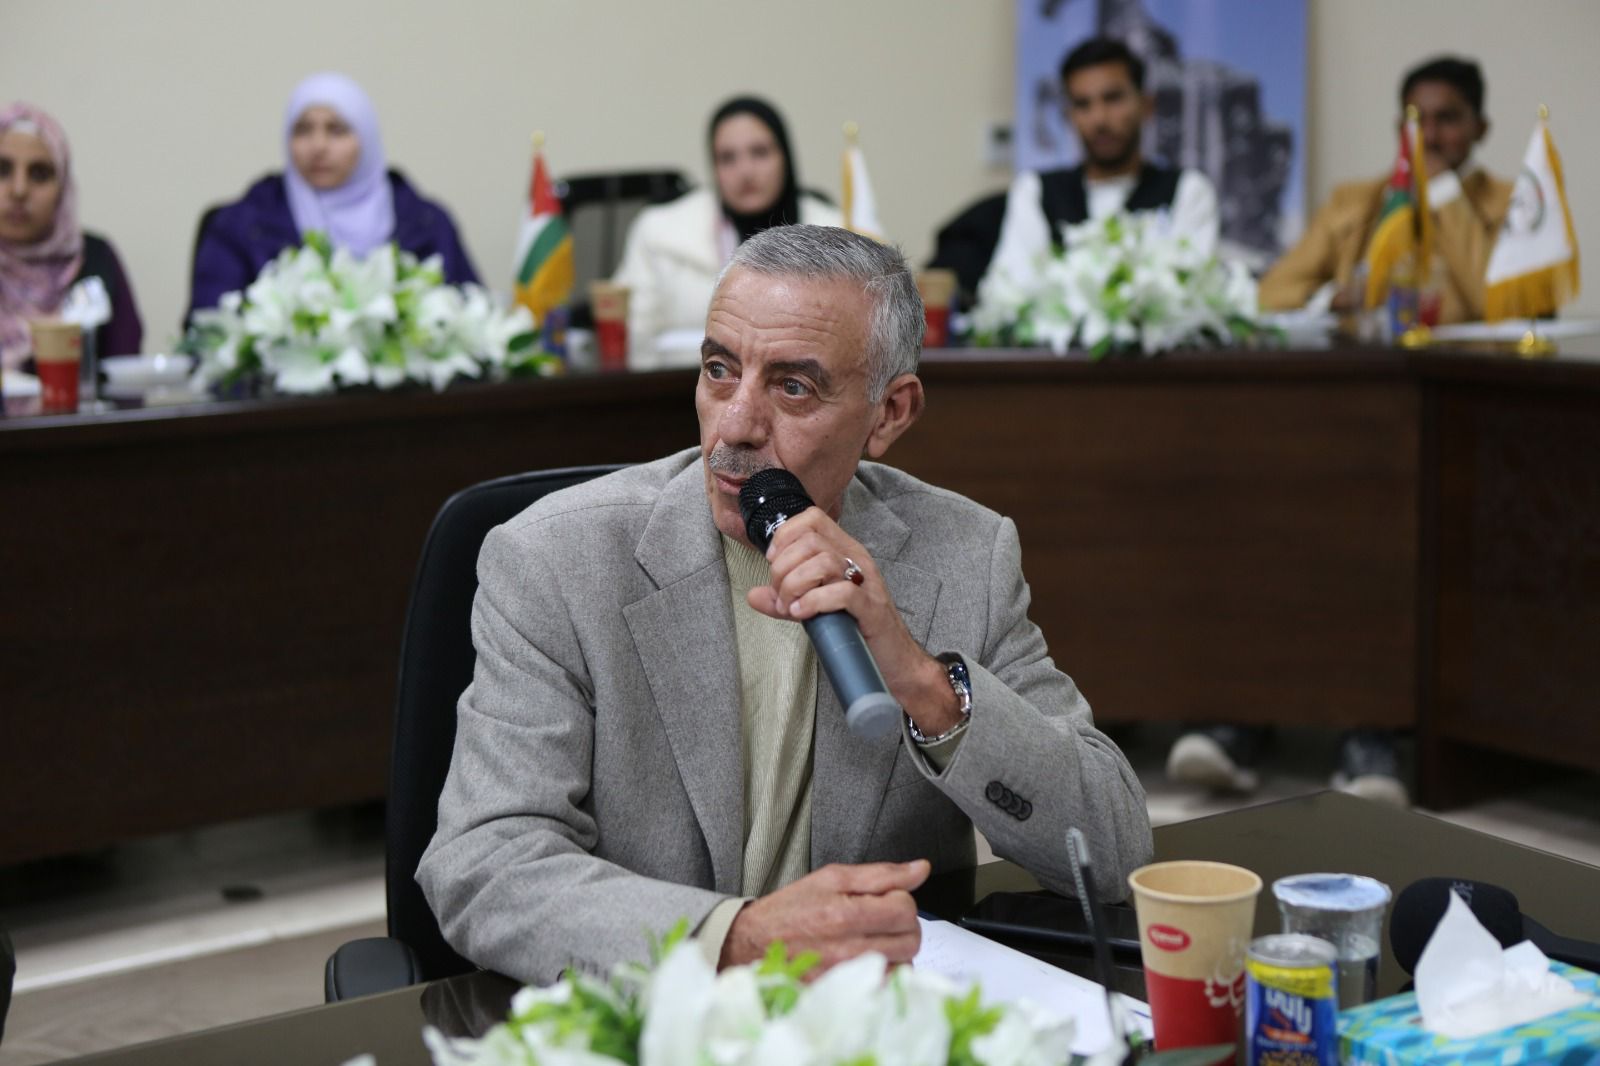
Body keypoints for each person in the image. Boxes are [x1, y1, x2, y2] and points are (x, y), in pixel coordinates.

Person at [418, 225, 1152, 984]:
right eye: (718, 371)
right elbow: (485, 864)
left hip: (876, 1015)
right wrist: (741, 937)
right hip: (651, 1009)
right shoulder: (555, 560)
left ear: (889, 414)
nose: (735, 425)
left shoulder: (965, 555)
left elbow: (1112, 849)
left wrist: (925, 685)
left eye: (793, 387)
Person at [187, 73, 477, 321]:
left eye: (336, 130)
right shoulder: (241, 224)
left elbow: (472, 316)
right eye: (303, 130)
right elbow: (207, 329)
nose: (318, 146)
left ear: (367, 138)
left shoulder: (426, 223)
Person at [1259, 56, 1511, 324]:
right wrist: (1330, 298)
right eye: (1415, 120)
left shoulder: (1510, 203)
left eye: (1446, 119)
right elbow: (1271, 292)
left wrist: (1445, 193)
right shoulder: (1353, 201)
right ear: (1399, 128)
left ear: (1480, 128)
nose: (1429, 136)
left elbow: (1504, 304)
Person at [611, 96, 841, 370]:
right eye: (727, 158)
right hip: (681, 386)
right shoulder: (659, 231)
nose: (745, 171)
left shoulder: (838, 233)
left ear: (785, 158)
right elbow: (634, 340)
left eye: (760, 152)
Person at [982, 37, 1218, 292]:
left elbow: (1191, 294)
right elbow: (1009, 290)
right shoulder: (1036, 191)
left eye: (1113, 99)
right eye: (1083, 104)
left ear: (1146, 105)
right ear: (1068, 116)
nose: (1099, 119)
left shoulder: (1187, 190)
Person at [1, 103, 142, 373]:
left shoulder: (94, 260)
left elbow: (125, 371)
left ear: (63, 187)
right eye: (2, 170)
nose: (19, 190)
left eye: (39, 174)